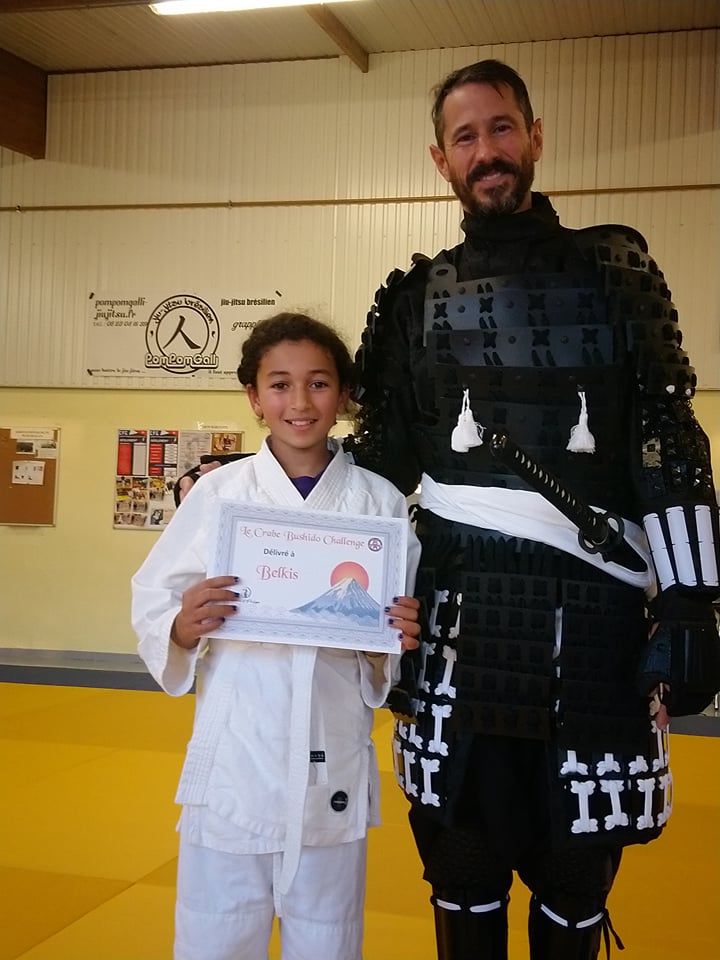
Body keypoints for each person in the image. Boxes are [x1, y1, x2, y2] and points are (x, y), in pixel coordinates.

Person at [340, 59, 720, 960]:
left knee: (575, 872)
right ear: (441, 159)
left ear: (536, 137)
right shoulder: (413, 300)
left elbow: (667, 440)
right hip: (456, 620)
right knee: (461, 864)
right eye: (466, 136)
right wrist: (263, 496)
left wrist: (693, 604)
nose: (488, 151)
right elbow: (379, 467)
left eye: (502, 128)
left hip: (596, 622)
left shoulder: (616, 270)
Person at [131, 312, 421, 960]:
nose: (300, 402)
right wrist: (179, 624)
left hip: (331, 752)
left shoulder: (379, 503)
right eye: (280, 384)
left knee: (328, 939)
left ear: (343, 395)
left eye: (318, 383)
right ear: (254, 397)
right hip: (235, 756)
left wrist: (392, 639)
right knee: (215, 935)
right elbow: (154, 593)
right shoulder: (219, 493)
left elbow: (389, 639)